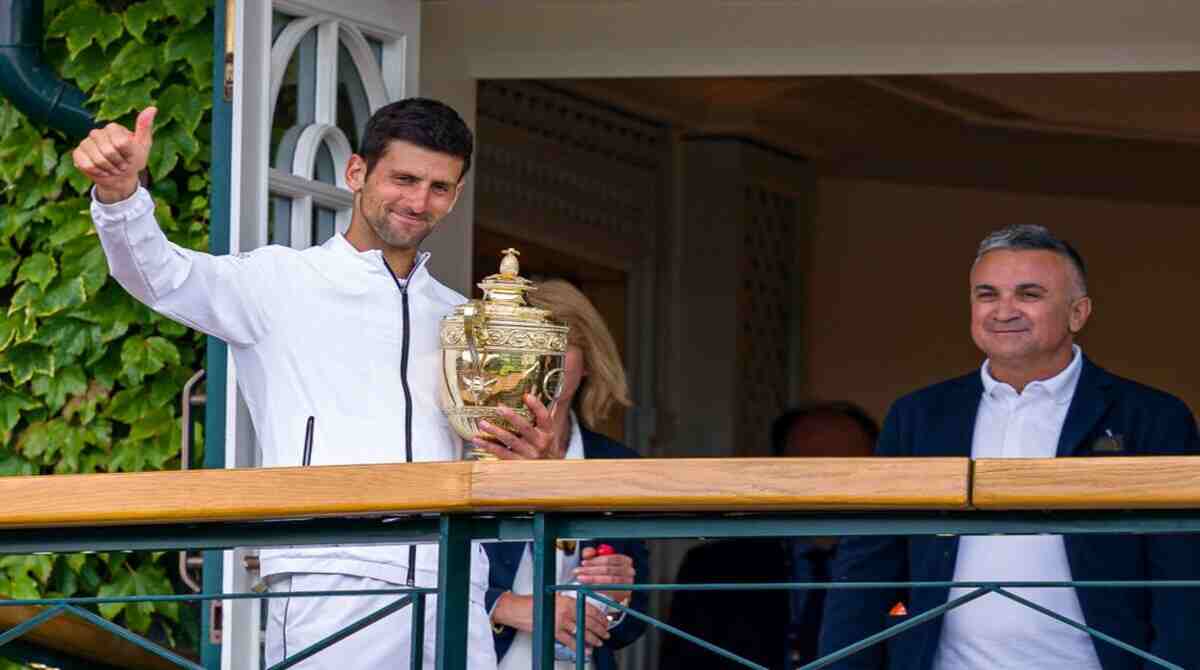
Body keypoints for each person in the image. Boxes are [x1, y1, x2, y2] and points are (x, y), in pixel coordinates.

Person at [73, 99, 562, 668]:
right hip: (329, 574)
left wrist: (526, 451)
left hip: (455, 576)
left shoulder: (462, 316)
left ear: (454, 196)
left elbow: (487, 450)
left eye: (438, 187)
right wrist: (119, 195)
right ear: (357, 173)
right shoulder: (278, 281)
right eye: (403, 179)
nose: (418, 201)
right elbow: (158, 274)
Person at [818, 225, 1200, 670]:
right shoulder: (920, 415)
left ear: (1078, 313)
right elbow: (869, 564)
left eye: (1029, 294)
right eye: (987, 294)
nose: (1004, 310)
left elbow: (1182, 576)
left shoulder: (1151, 416)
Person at [475, 279, 650, 669]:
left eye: (559, 343)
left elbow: (635, 622)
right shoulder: (469, 449)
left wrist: (619, 599)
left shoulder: (617, 464)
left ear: (588, 361)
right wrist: (507, 606)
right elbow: (417, 573)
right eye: (526, 343)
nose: (543, 358)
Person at [659, 403, 877, 669]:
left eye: (845, 463)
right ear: (777, 470)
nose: (826, 478)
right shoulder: (713, 567)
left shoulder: (905, 566)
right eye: (809, 462)